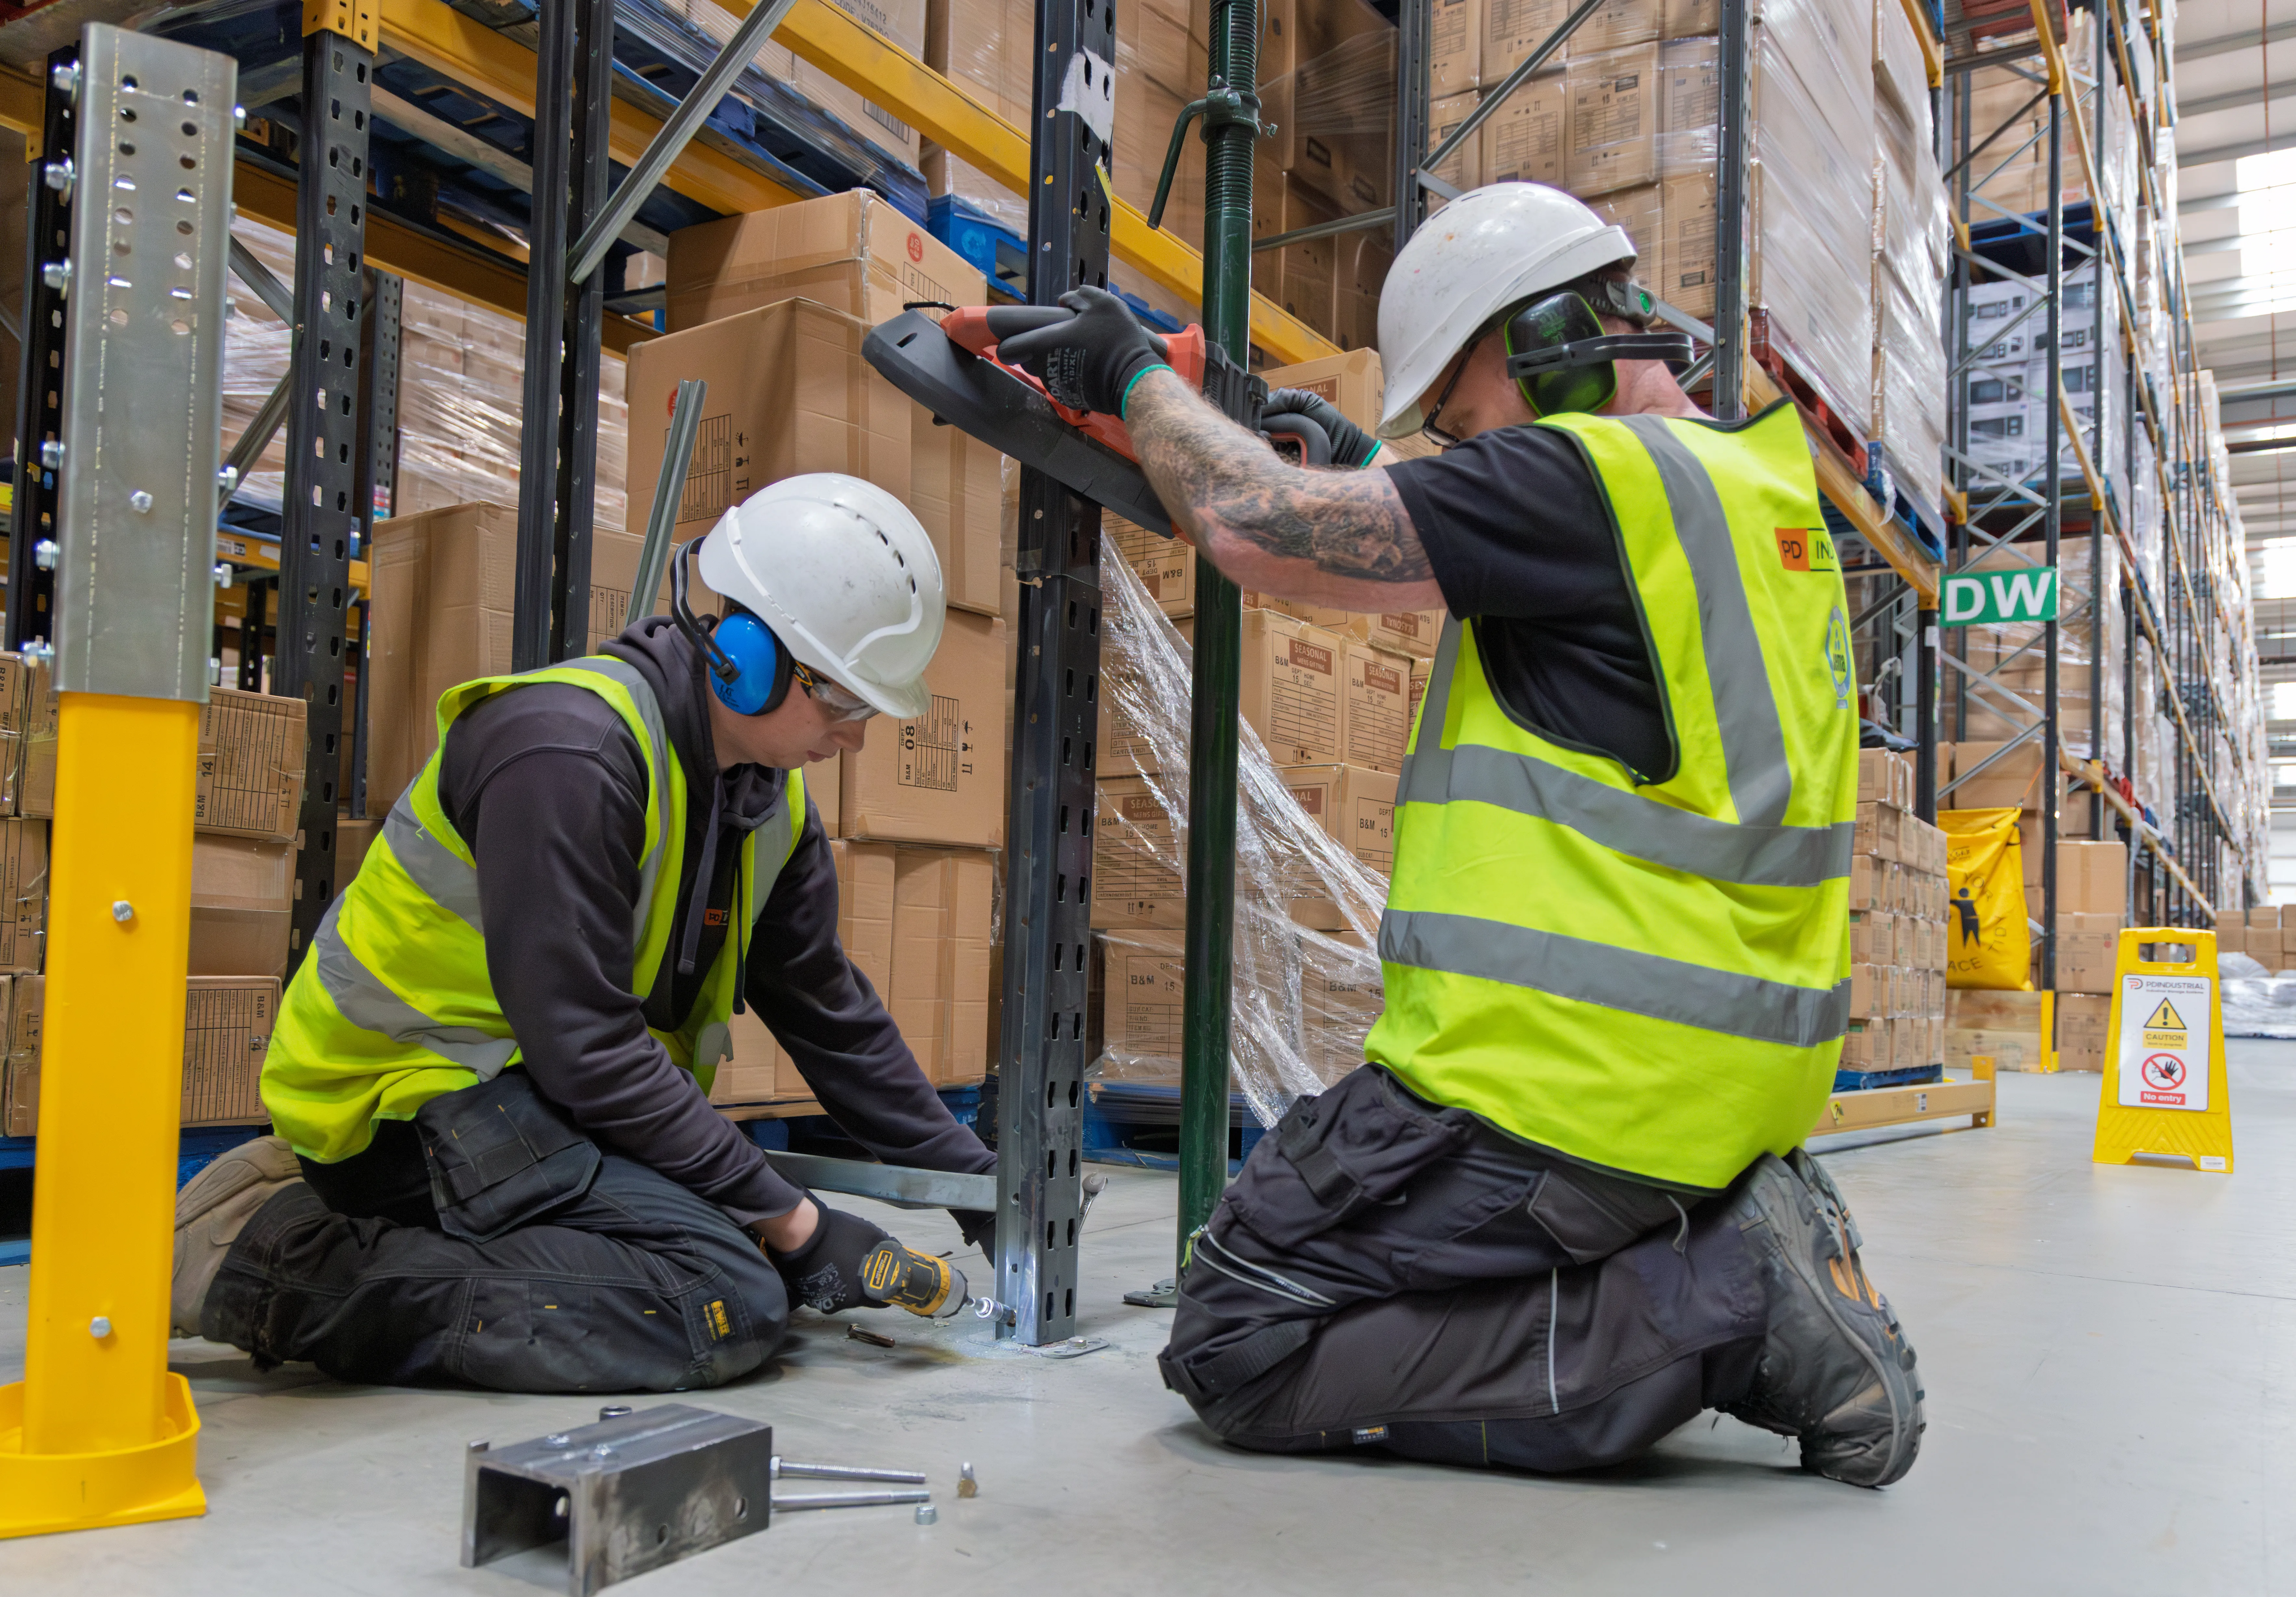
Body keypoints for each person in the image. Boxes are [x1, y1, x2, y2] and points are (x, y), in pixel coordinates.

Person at [992, 183, 1922, 1486]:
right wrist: (1369, 475)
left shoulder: (1589, 473)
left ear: (1540, 341)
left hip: (1558, 1088)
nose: (1464, 450)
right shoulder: (1752, 508)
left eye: (1461, 422)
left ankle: (1727, 1305)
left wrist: (1133, 379)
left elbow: (1252, 529)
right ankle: (1710, 1243)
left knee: (1243, 1331)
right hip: (1727, 1084)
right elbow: (1561, 612)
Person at [170, 473, 998, 1393]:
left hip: (531, 1099)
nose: (856, 741)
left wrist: (983, 1187)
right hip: (404, 1098)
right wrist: (796, 1220)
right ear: (744, 654)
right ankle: (263, 1257)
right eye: (843, 703)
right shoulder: (565, 753)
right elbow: (589, 1051)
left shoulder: (768, 808)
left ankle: (345, 1215)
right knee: (717, 1301)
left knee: (741, 1255)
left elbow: (827, 1015)